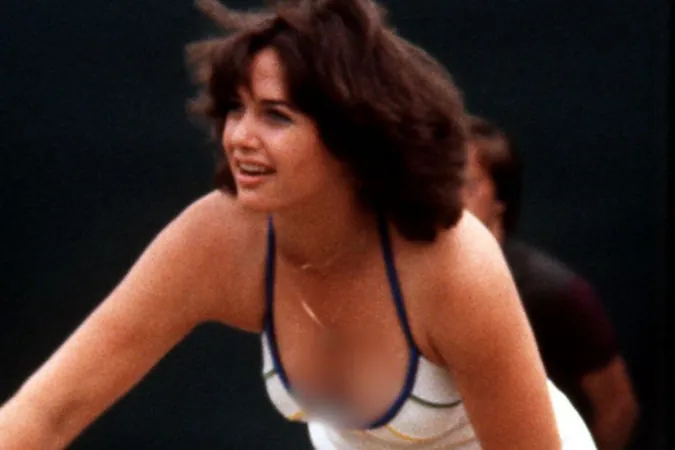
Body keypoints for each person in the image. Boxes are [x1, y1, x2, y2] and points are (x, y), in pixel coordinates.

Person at [0, 0, 596, 448]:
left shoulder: (453, 261)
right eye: (236, 108)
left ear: (351, 136)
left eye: (276, 115)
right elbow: (48, 412)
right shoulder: (218, 238)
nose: (240, 136)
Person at [461, 115, 639, 449]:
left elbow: (618, 408)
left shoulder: (558, 293)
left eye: (466, 186)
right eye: (439, 185)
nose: (450, 200)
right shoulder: (418, 284)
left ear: (500, 199)